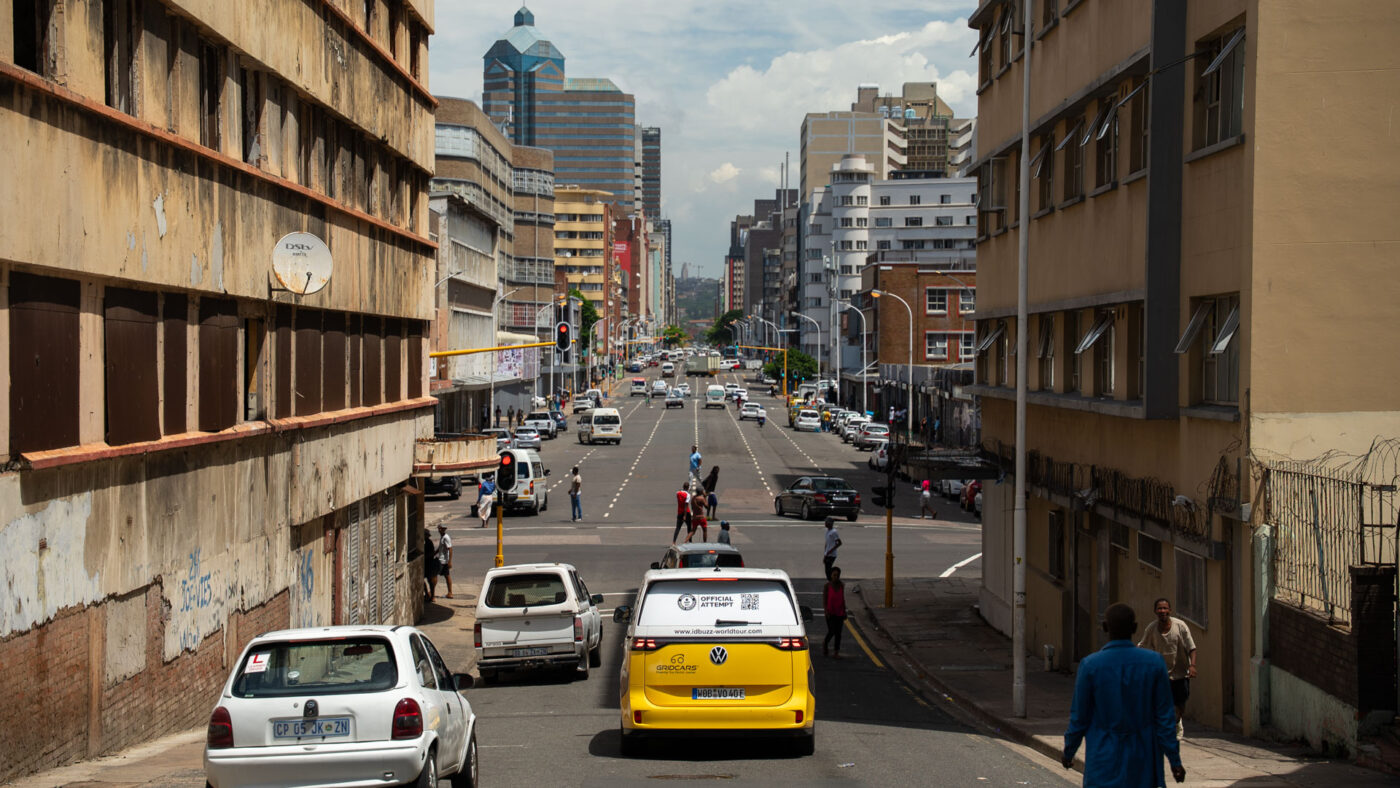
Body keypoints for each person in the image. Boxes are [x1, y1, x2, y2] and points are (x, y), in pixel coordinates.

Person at [1063, 602, 1186, 786]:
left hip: (1103, 760)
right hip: (1142, 761)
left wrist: (1069, 751)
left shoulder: (1091, 666)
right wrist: (1174, 760)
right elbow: (1165, 718)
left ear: (1105, 627)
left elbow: (1079, 717)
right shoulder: (1154, 663)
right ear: (1134, 628)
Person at [1138, 598, 1198, 741]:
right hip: (1161, 675)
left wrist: (1192, 666)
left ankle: (1177, 721)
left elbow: (1192, 648)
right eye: (1159, 608)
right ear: (1155, 611)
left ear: (1170, 610)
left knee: (1180, 705)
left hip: (1180, 673)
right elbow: (1141, 647)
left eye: (1165, 608)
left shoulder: (1180, 626)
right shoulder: (1151, 628)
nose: (1162, 611)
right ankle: (1167, 729)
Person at [823, 566, 847, 658]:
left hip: (840, 613)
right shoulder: (827, 586)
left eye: (837, 575)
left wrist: (844, 612)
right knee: (832, 631)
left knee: (838, 633)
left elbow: (843, 600)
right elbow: (825, 600)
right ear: (831, 575)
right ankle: (825, 643)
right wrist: (826, 611)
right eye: (834, 575)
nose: (836, 577)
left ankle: (836, 652)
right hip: (830, 613)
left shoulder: (842, 586)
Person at [435, 523, 454, 599]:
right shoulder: (442, 537)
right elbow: (440, 548)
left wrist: (449, 561)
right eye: (439, 528)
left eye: (442, 528)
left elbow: (450, 549)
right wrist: (434, 553)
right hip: (442, 560)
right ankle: (450, 592)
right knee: (446, 576)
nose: (440, 530)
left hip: (443, 561)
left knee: (434, 575)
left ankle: (432, 592)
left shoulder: (446, 537)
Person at [424, 527, 440, 602]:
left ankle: (430, 595)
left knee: (430, 581)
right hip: (428, 563)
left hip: (429, 563)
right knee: (430, 581)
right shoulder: (426, 542)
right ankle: (429, 595)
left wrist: (425, 557)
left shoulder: (428, 542)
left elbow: (431, 553)